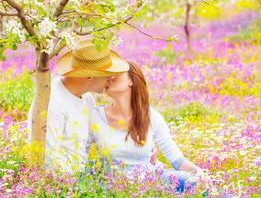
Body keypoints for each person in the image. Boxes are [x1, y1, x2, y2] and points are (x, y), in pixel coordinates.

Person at [88, 62, 208, 193]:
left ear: (131, 80)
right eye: (107, 75)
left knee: (197, 184)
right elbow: (78, 156)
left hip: (153, 181)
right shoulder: (96, 117)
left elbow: (177, 160)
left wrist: (200, 174)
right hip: (115, 187)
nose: (109, 78)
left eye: (115, 74)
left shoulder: (151, 116)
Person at [27, 39, 129, 173]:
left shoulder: (86, 98)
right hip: (65, 184)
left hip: (85, 175)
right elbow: (48, 160)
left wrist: (139, 146)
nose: (111, 79)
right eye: (107, 74)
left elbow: (99, 137)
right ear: (89, 76)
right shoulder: (53, 102)